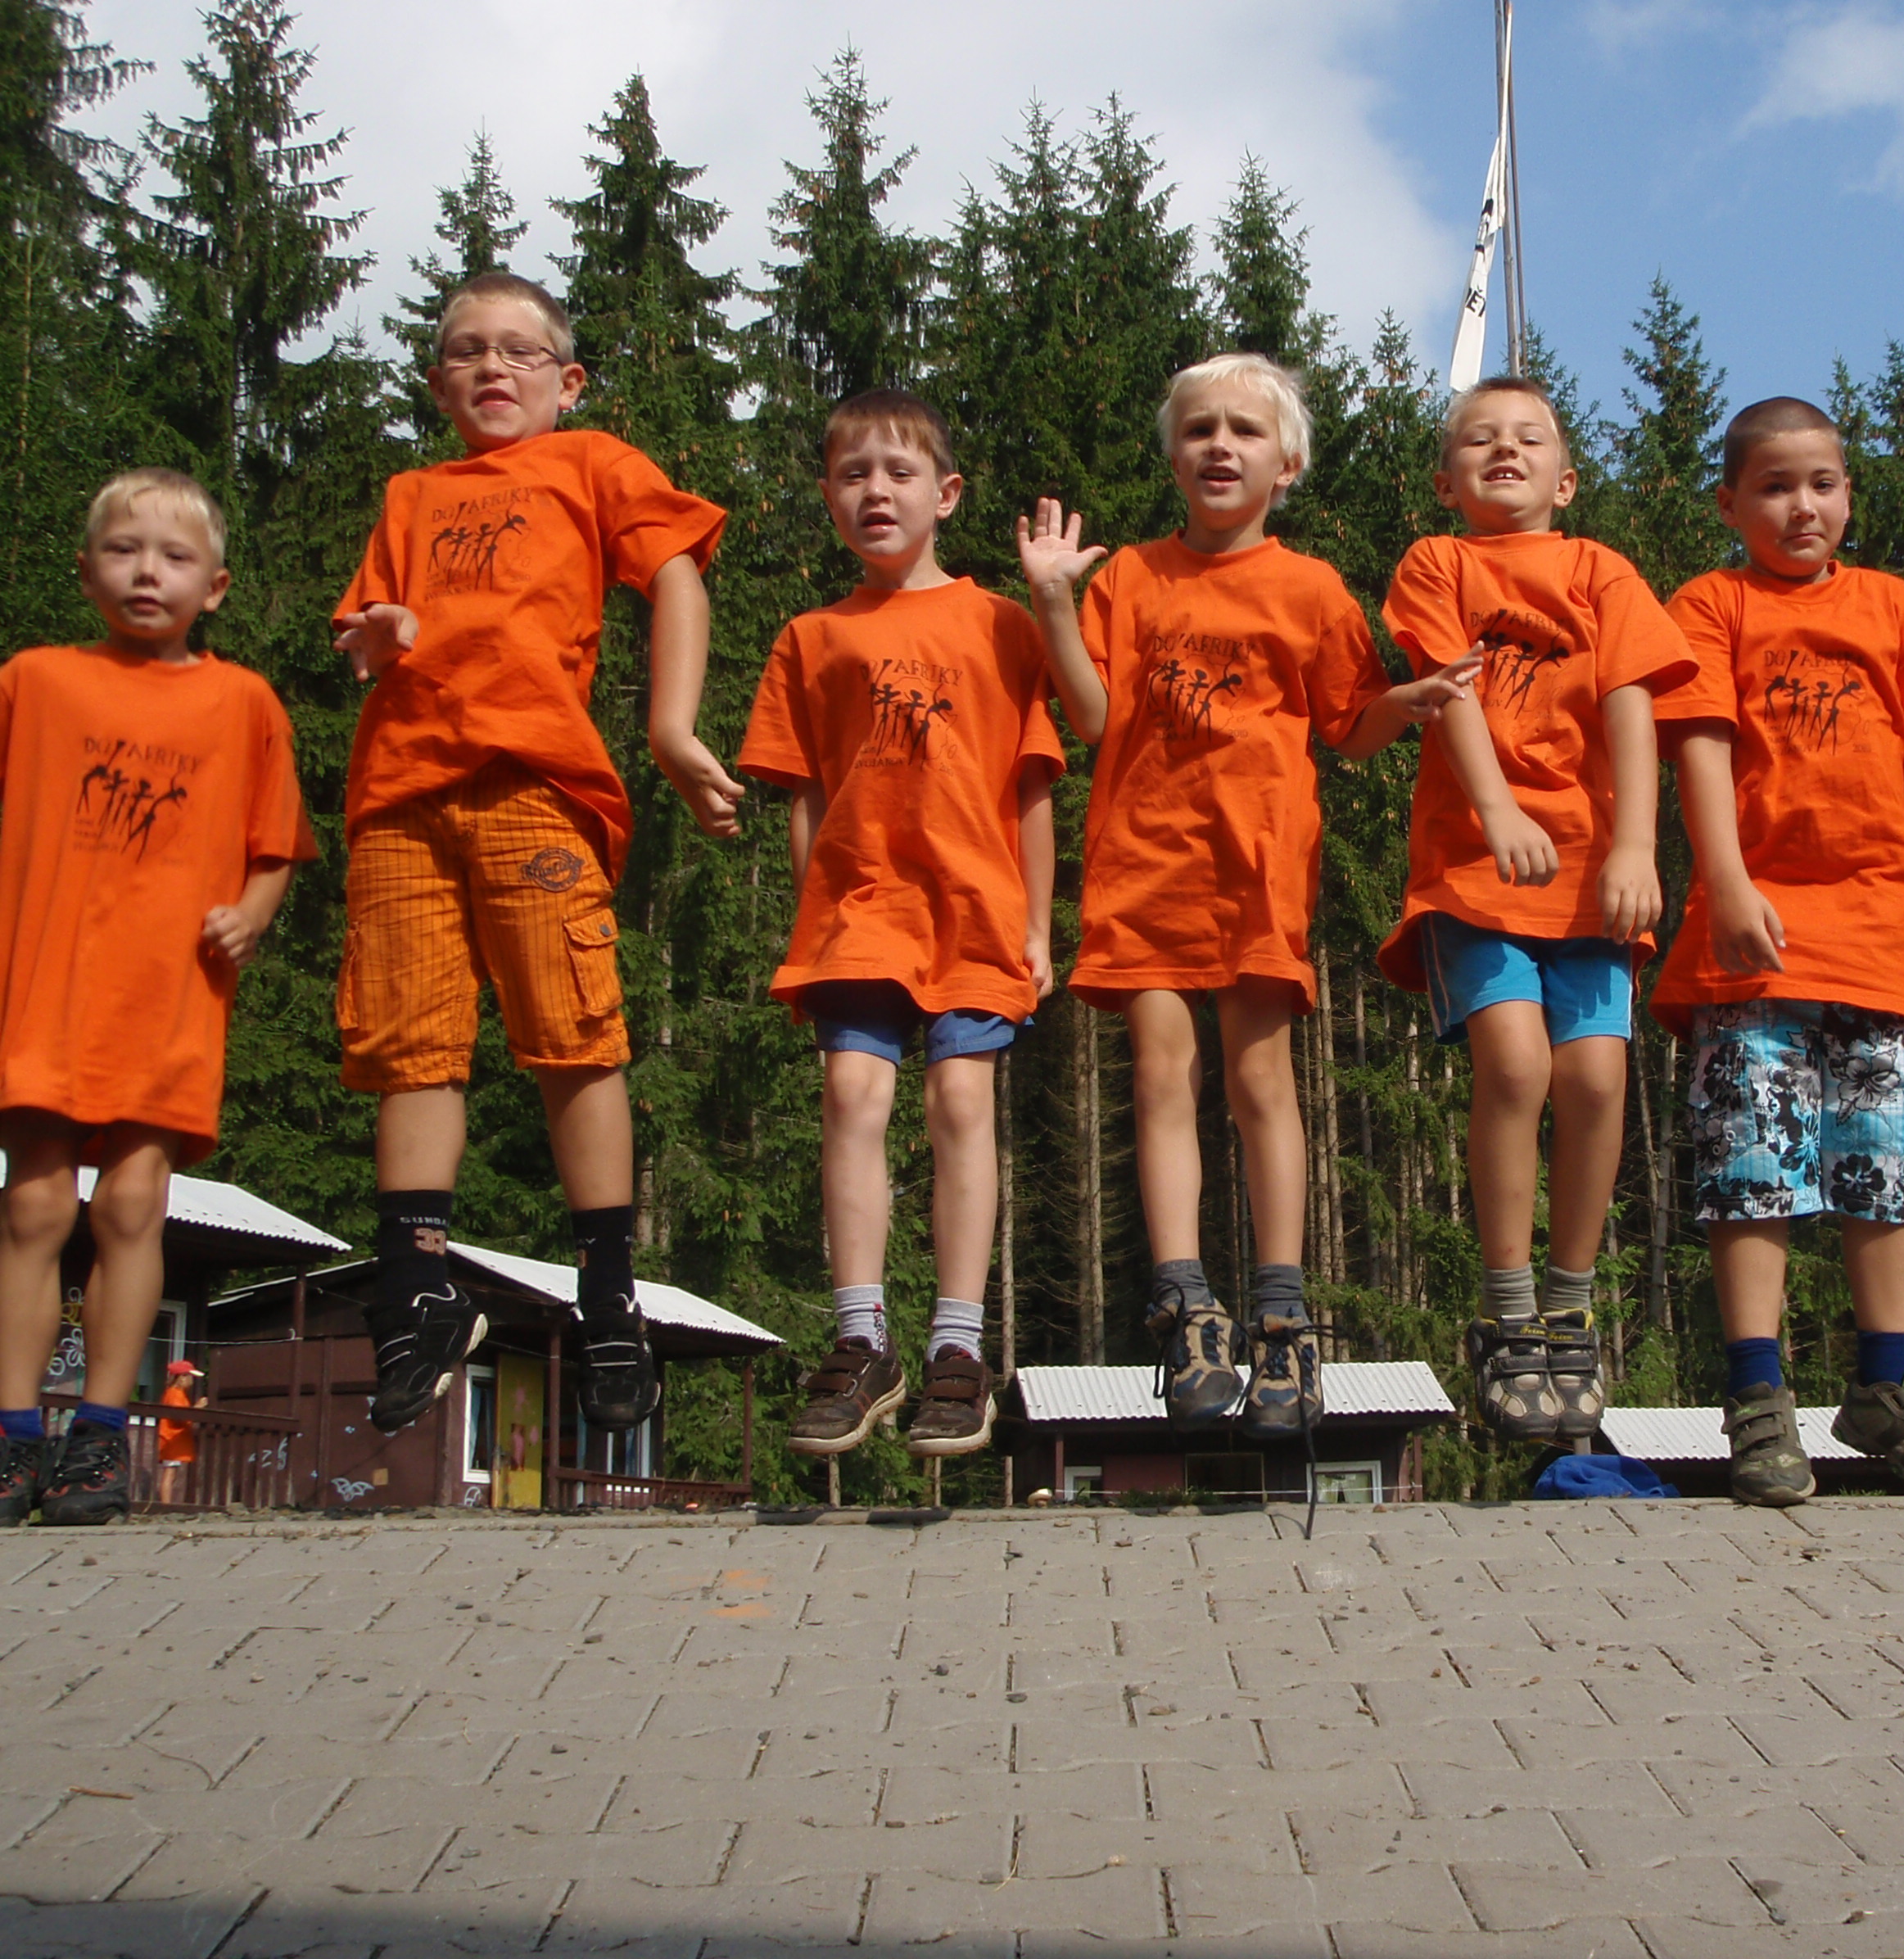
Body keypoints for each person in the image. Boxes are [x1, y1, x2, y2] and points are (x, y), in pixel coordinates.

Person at [1018, 355, 1472, 1437]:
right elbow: (1092, 718)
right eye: (1200, 429)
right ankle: (1185, 1307)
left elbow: (1348, 731)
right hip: (1144, 866)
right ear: (1175, 458)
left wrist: (1405, 703)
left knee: (1261, 1080)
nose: (1221, 444)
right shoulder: (1132, 576)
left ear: (1288, 465)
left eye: (1245, 430)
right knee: (1161, 1078)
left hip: (1259, 871)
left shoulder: (1311, 588)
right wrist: (1053, 601)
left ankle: (1281, 1312)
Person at [332, 272, 732, 1440]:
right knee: (411, 1044)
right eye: (467, 351)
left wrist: (670, 729)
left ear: (569, 381)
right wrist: (380, 636)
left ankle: (608, 1293)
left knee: (572, 1032)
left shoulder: (589, 464)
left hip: (535, 788)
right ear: (437, 383)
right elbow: (365, 639)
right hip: (400, 797)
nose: (492, 367)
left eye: (518, 351)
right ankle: (415, 1284)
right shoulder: (411, 495)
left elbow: (675, 573)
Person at [1653, 399, 1904, 1505]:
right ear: (1730, 503)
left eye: (1822, 483)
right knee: (1751, 1163)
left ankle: (1887, 1386)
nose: (1801, 507)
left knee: (1888, 1160)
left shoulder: (1893, 607)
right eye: (1774, 487)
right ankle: (1758, 1395)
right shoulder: (1711, 604)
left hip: (1883, 938)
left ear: (1849, 494)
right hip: (1755, 938)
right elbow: (1700, 749)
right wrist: (1726, 882)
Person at [740, 389, 1063, 1460]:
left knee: (960, 1100)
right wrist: (813, 917)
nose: (875, 491)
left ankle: (957, 1350)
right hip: (860, 912)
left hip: (976, 910)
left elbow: (1032, 784)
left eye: (898, 472)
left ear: (946, 494)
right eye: (852, 474)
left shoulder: (1001, 625)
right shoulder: (811, 637)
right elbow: (803, 794)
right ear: (828, 496)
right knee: (851, 1092)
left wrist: (1038, 926)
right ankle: (861, 1338)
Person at [1375, 375, 1695, 1444]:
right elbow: (1449, 689)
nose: (1503, 450)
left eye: (1528, 438)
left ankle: (1570, 1303)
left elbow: (1632, 706)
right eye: (1478, 440)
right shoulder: (1439, 563)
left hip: (1593, 872)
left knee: (1596, 1075)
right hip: (1476, 867)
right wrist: (1498, 807)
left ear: (1566, 479)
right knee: (1514, 1066)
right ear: (1446, 481)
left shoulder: (1602, 572)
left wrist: (1638, 844)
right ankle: (1507, 1311)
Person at [0, 469, 312, 1526]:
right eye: (124, 550)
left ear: (213, 587)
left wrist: (253, 914)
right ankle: (11, 1434)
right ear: (86, 571)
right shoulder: (33, 682)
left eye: (175, 557)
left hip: (168, 989)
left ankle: (97, 1436)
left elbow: (276, 844)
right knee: (35, 1203)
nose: (148, 573)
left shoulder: (243, 703)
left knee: (133, 1204)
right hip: (44, 978)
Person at [157, 1358, 206, 1506]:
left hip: (174, 1439)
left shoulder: (176, 1394)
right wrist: (198, 1408)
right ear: (182, 1377)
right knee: (170, 1473)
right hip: (172, 1439)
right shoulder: (175, 1394)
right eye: (190, 1376)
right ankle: (166, 1505)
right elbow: (180, 1416)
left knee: (172, 1473)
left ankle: (167, 1504)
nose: (191, 1381)